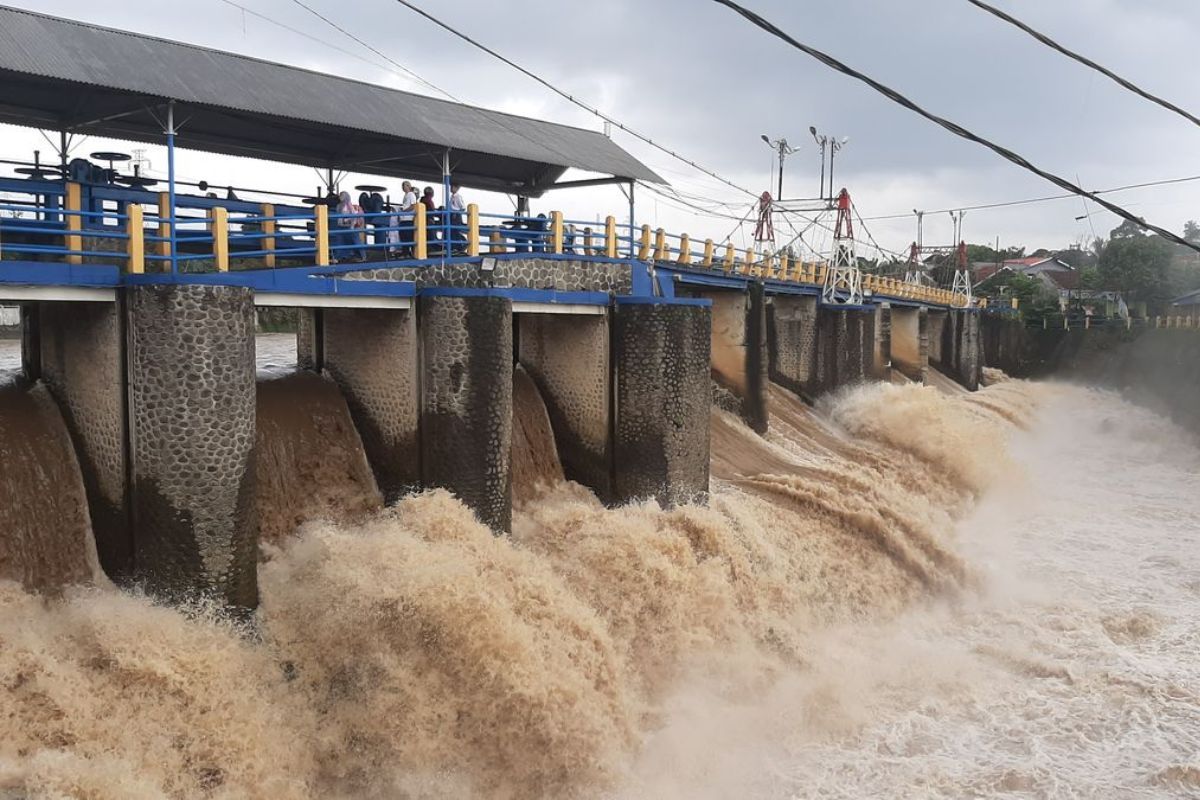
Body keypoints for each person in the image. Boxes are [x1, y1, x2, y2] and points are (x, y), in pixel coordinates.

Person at [333, 191, 365, 263]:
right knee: (341, 241)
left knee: (355, 241)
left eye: (342, 195)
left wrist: (351, 225)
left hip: (349, 226)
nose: (341, 197)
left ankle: (361, 256)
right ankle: (340, 257)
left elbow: (353, 215)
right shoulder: (339, 206)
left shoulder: (348, 205)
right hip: (342, 226)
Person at [397, 181, 418, 258]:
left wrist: (404, 211)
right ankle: (405, 252)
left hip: (408, 219)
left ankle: (409, 253)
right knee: (403, 236)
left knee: (408, 237)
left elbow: (413, 206)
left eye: (404, 185)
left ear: (408, 186)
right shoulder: (406, 195)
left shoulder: (411, 195)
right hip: (404, 219)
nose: (403, 187)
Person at [449, 183, 466, 253]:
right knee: (452, 232)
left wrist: (456, 213)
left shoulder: (458, 197)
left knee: (456, 231)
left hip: (456, 215)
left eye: (452, 187)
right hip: (451, 215)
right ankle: (454, 247)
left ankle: (459, 247)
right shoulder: (451, 197)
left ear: (456, 188)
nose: (451, 188)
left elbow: (463, 208)